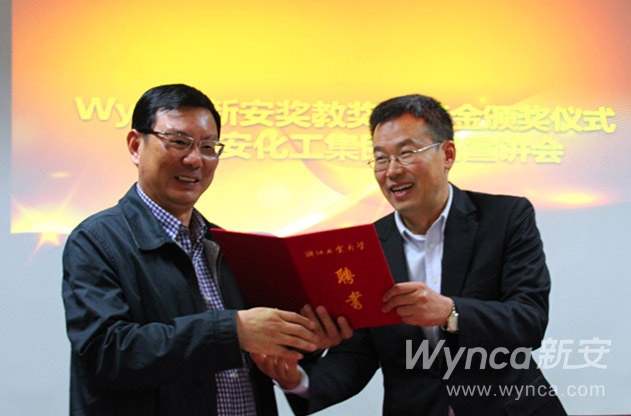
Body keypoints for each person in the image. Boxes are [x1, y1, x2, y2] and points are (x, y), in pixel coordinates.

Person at [255, 94, 567, 415]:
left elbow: (529, 320)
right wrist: (298, 380)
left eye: (406, 154)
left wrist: (449, 312)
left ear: (447, 154)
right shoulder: (366, 245)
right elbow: (357, 355)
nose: (391, 171)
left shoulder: (505, 217)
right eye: (381, 159)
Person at [61, 83, 323, 416]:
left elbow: (269, 348)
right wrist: (234, 331)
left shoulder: (230, 246)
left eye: (208, 146)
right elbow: (107, 354)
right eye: (178, 142)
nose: (195, 159)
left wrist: (306, 340)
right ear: (135, 146)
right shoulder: (97, 240)